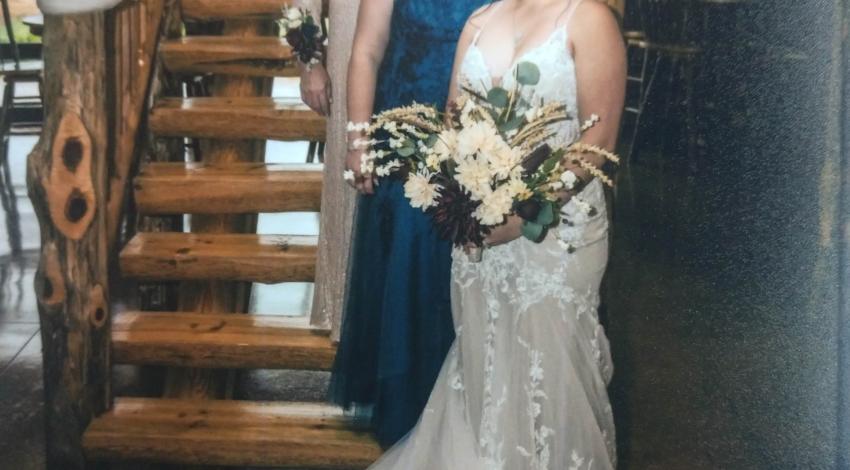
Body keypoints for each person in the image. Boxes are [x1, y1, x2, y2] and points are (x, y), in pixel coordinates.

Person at [368, 0, 626, 468]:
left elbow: (598, 144)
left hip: (557, 239)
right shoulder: (479, 21)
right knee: (485, 366)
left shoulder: (589, 18)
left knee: (550, 375)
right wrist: (461, 201)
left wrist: (524, 211)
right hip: (479, 237)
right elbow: (453, 126)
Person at [332, 0, 492, 449]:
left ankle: (470, 409)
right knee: (410, 268)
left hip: (482, 140)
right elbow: (366, 49)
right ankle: (409, 411)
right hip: (406, 133)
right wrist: (359, 141)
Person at [294, 0, 361, 339]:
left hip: (417, 31)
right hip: (349, 38)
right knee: (349, 168)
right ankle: (344, 307)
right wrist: (310, 62)